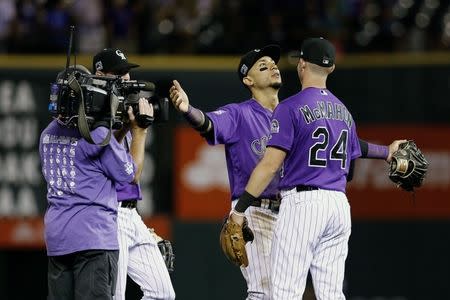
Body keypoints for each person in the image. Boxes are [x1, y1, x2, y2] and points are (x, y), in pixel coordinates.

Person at [170, 44, 404, 299]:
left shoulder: (293, 110)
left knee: (286, 291)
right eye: (263, 66)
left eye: (273, 63)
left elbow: (348, 141)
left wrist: (385, 152)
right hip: (254, 211)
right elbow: (208, 122)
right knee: (265, 290)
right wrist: (187, 110)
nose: (272, 67)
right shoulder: (239, 113)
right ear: (248, 80)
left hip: (291, 211)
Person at [228, 37, 379, 299]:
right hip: (339, 205)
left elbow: (270, 165)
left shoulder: (290, 107)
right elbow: (352, 166)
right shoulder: (344, 112)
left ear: (301, 65)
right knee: (332, 293)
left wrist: (239, 210)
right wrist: (389, 152)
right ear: (331, 68)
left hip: (303, 204)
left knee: (285, 291)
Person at [40, 65, 149, 300]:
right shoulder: (96, 134)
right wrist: (139, 132)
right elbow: (130, 175)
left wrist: (115, 132)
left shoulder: (46, 134)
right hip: (93, 239)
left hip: (58, 239)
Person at [93, 48, 176, 300]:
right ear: (99, 74)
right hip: (110, 214)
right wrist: (140, 131)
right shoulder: (95, 117)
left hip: (130, 214)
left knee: (162, 293)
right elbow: (130, 176)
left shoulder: (124, 111)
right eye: (118, 73)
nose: (126, 78)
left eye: (127, 72)